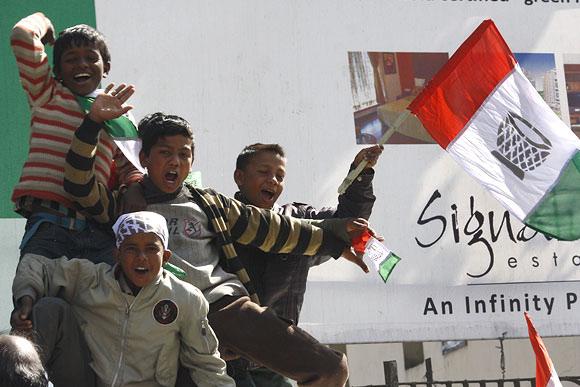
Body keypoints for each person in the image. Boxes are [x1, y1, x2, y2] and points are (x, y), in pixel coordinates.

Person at [64, 99, 374, 385]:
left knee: (332, 368)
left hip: (222, 309)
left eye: (184, 153)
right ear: (144, 158)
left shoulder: (209, 203)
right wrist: (92, 124)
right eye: (165, 152)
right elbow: (80, 187)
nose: (175, 161)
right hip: (159, 318)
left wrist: (336, 235)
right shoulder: (126, 205)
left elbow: (276, 230)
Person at [11, 211, 234, 387]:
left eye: (151, 249)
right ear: (116, 254)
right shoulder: (90, 279)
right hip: (87, 381)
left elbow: (206, 364)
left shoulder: (185, 298)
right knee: (50, 308)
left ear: (165, 257)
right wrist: (26, 298)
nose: (141, 258)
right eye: (131, 249)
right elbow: (37, 265)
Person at [228, 143, 381, 385]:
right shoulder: (219, 221)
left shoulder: (300, 220)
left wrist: (360, 173)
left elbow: (346, 221)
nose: (273, 181)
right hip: (223, 362)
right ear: (240, 177)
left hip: (274, 362)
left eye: (280, 176)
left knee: (333, 369)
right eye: (264, 172)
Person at [10, 12, 141, 265]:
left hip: (96, 229)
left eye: (91, 58)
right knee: (36, 292)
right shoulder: (46, 93)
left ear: (107, 68)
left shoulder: (118, 113)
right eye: (71, 59)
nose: (82, 64)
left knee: (99, 298)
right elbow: (22, 35)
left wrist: (133, 186)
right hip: (48, 222)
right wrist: (45, 23)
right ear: (57, 71)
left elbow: (131, 167)